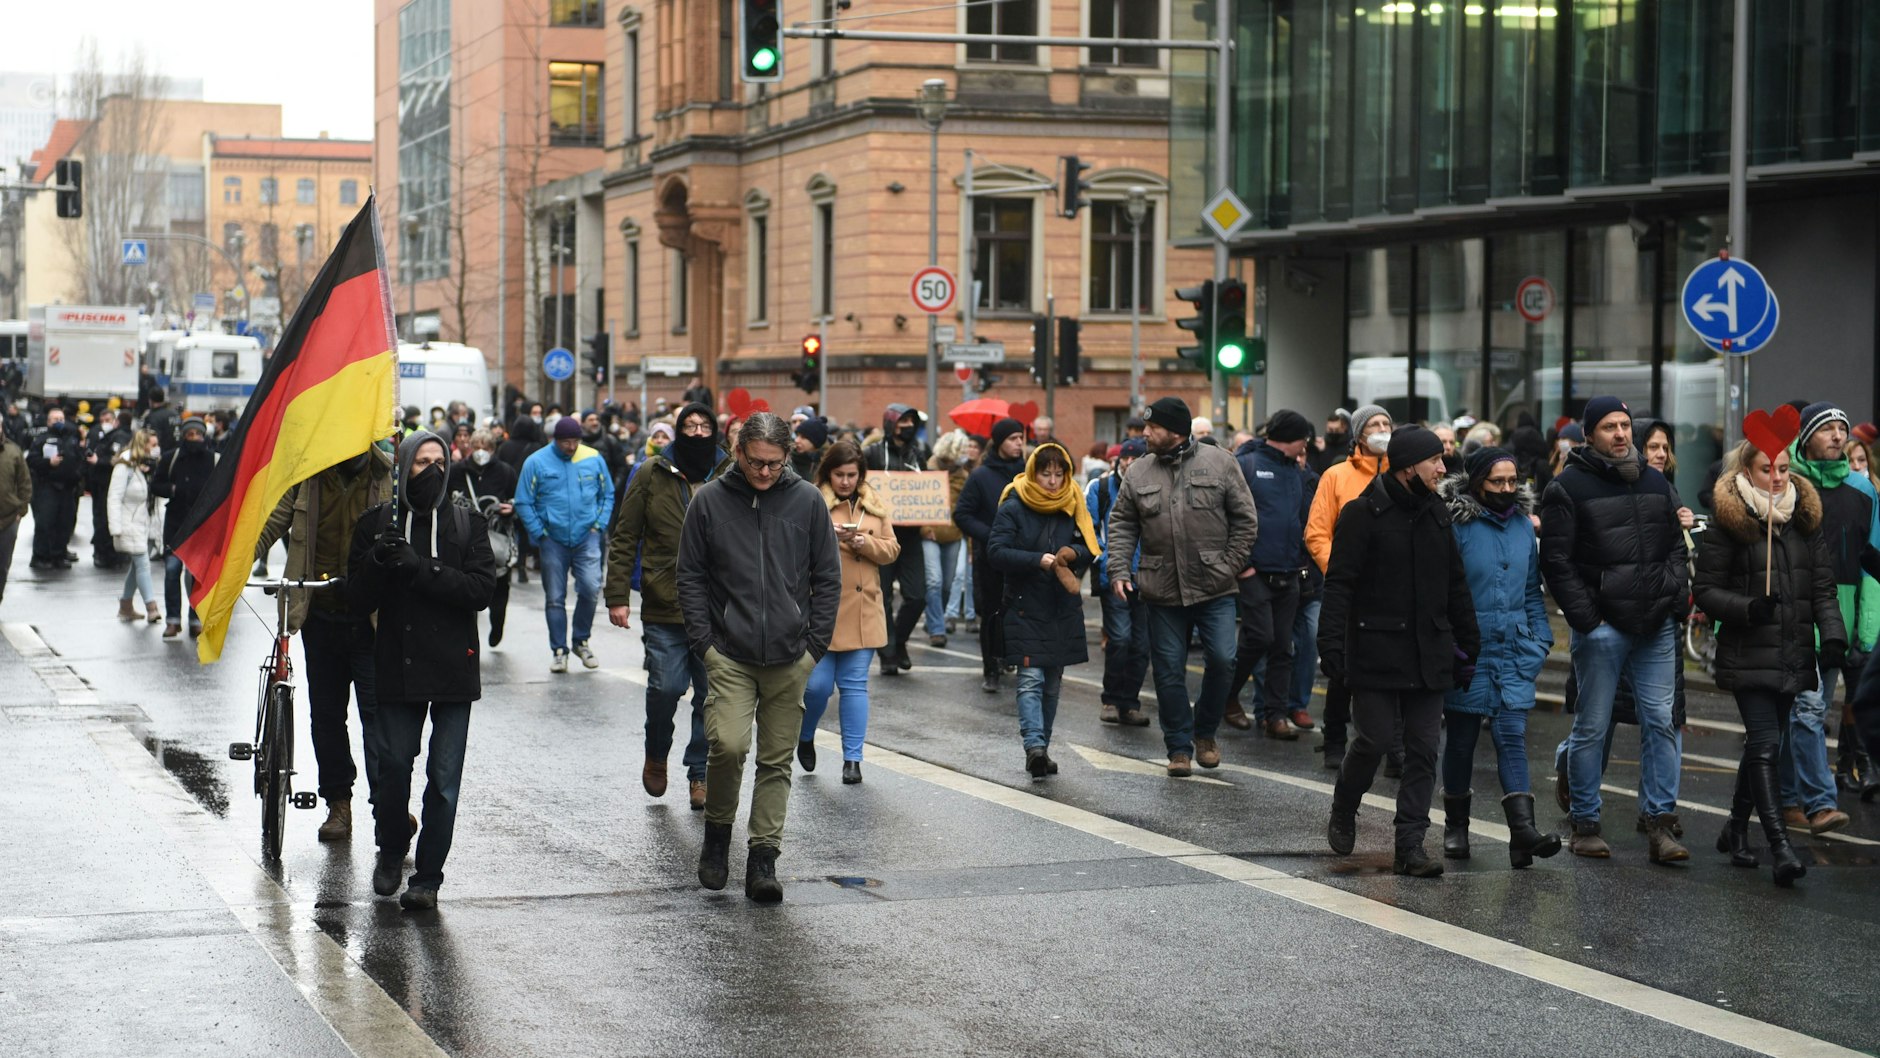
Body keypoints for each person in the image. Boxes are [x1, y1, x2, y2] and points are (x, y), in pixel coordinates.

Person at [678, 412, 841, 903]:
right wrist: (704, 644)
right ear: (737, 452)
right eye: (755, 463)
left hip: (792, 655)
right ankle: (718, 835)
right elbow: (689, 577)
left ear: (788, 457)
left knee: (776, 761)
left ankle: (763, 858)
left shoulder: (808, 501)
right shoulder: (708, 501)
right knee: (726, 746)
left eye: (774, 464)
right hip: (728, 651)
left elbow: (827, 578)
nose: (764, 472)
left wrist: (814, 648)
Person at [1319, 426, 1480, 878]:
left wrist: (1470, 643)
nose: (1442, 469)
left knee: (1423, 749)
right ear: (1409, 465)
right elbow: (1340, 585)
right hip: (1375, 650)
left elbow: (1455, 585)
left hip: (1429, 651)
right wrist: (1331, 646)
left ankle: (1410, 845)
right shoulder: (1362, 514)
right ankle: (1344, 805)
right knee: (1371, 741)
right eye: (1435, 461)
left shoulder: (1437, 514)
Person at [348, 431, 498, 910]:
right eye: (420, 462)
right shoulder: (376, 523)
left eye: (439, 461)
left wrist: (422, 568)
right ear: (403, 467)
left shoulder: (465, 524)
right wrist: (375, 562)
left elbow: (480, 590)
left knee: (444, 778)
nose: (431, 470)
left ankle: (428, 876)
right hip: (396, 661)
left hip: (454, 666)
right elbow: (356, 598)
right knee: (392, 767)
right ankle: (392, 849)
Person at [1541, 396, 1689, 861]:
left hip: (1656, 624)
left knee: (1661, 722)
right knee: (1593, 724)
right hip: (1603, 628)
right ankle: (1585, 823)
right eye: (1609, 427)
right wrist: (1590, 620)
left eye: (1625, 425)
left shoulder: (1654, 481)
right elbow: (1557, 563)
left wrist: (1675, 596)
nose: (1621, 434)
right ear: (1589, 435)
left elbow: (1674, 548)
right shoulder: (1568, 486)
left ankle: (1660, 824)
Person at [1695, 440, 1846, 887]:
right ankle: (1780, 845)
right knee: (1763, 743)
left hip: (1793, 651)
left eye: (1782, 468)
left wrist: (1833, 634)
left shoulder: (1804, 518)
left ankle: (1736, 827)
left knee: (1767, 745)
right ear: (1747, 469)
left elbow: (1822, 586)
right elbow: (1705, 589)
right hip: (1748, 651)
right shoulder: (1731, 520)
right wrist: (1746, 608)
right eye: (1767, 469)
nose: (1777, 477)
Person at [1104, 397, 1258, 777]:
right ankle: (1178, 747)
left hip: (1215, 587)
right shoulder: (1138, 472)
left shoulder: (1220, 462)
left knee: (1223, 660)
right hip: (1161, 589)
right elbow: (1122, 524)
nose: (1144, 433)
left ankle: (1205, 734)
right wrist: (1120, 569)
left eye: (1151, 428)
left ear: (1174, 431)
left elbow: (1245, 520)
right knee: (1169, 671)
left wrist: (1228, 565)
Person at [255, 442, 396, 843]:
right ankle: (339, 804)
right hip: (320, 616)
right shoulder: (308, 474)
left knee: (378, 718)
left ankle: (388, 805)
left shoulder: (386, 477)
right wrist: (234, 566)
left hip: (371, 621)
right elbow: (272, 524)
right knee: (327, 718)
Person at [1437, 447, 1561, 868]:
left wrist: (1539, 639)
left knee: (1511, 737)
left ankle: (1521, 834)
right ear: (1476, 483)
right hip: (1468, 652)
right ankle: (1456, 827)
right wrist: (1452, 644)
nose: (1507, 489)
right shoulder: (1456, 525)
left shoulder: (1525, 527)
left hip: (1514, 650)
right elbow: (1446, 591)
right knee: (1461, 741)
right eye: (1497, 482)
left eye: (1513, 481)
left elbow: (1531, 592)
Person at [606, 402, 726, 810]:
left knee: (711, 696)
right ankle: (656, 753)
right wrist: (617, 595)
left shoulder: (728, 473)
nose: (696, 432)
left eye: (703, 425)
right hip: (664, 601)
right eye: (688, 426)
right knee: (667, 687)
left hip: (717, 607)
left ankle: (699, 773)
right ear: (676, 431)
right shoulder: (650, 472)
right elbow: (626, 535)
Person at [1778, 402, 1872, 835]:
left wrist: (1867, 627)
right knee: (1809, 711)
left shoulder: (1862, 490)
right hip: (1794, 616)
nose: (1837, 435)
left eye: (1841, 428)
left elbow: (1872, 563)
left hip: (1840, 620)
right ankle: (1818, 803)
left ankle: (1785, 798)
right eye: (1826, 428)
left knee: (1798, 715)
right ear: (1805, 437)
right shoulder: (1786, 482)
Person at [989, 442, 1097, 778]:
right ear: (1033, 472)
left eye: (1058, 474)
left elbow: (1091, 546)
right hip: (1023, 603)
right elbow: (996, 551)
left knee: (1052, 682)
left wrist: (1072, 554)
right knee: (1030, 679)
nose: (1052, 481)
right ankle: (1034, 746)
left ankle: (1042, 749)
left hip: (1060, 605)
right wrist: (1037, 560)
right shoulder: (1013, 503)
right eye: (1045, 473)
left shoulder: (1073, 501)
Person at [799, 441, 900, 784]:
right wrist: (832, 537)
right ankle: (805, 734)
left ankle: (853, 760)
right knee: (817, 688)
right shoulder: (812, 501)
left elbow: (891, 549)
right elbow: (796, 549)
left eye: (852, 475)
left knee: (855, 686)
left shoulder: (874, 505)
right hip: (823, 611)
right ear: (828, 473)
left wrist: (865, 543)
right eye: (839, 475)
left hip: (865, 608)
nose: (845, 481)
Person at [1304, 403, 1393, 771]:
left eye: (1387, 423)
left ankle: (1395, 747)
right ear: (1358, 434)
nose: (1382, 430)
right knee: (1342, 666)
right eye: (1374, 424)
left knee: (1393, 667)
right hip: (1348, 588)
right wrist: (1342, 572)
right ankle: (1335, 739)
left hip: (1391, 589)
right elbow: (1317, 533)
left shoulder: (1403, 475)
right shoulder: (1336, 476)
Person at [1229, 410, 1317, 739]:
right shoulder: (1248, 464)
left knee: (1283, 647)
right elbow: (1230, 515)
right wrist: (1244, 565)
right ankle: (1227, 695)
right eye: (1303, 441)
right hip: (1254, 572)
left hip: (1289, 573)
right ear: (1291, 439)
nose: (1305, 447)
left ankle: (1274, 715)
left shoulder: (1296, 472)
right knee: (1260, 638)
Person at [515, 415, 615, 673]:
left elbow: (608, 494)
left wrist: (598, 525)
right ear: (555, 440)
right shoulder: (536, 462)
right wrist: (540, 533)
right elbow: (523, 501)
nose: (571, 447)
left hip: (587, 537)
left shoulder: (593, 458)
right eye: (565, 442)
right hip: (553, 540)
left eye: (575, 441)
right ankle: (559, 650)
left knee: (591, 588)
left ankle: (581, 641)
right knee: (555, 598)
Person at [954, 418, 1029, 692]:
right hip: (990, 558)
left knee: (1020, 611)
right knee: (992, 612)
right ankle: (991, 668)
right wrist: (991, 536)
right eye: (1012, 439)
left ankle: (1013, 658)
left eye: (1021, 438)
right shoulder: (981, 476)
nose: (1019, 443)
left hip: (1022, 556)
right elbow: (963, 514)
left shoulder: (1027, 473)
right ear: (998, 443)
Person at [1086, 437, 1150, 725]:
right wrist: (1103, 556)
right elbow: (1087, 526)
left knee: (1141, 644)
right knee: (1120, 639)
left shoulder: (1154, 484)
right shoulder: (1100, 488)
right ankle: (1111, 699)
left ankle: (1130, 702)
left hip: (1148, 577)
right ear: (1119, 460)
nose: (1130, 462)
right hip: (1114, 574)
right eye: (1127, 457)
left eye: (1137, 458)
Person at [864, 403, 929, 673]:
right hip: (881, 534)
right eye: (902, 421)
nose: (907, 426)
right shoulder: (873, 453)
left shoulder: (918, 454)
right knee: (884, 595)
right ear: (891, 423)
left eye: (911, 421)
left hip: (911, 535)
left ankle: (899, 640)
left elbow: (929, 487)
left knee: (918, 595)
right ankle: (888, 652)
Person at [447, 430, 519, 647]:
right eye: (476, 446)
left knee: (499, 586)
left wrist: (511, 509)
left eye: (486, 447)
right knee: (467, 588)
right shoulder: (457, 471)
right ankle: (470, 639)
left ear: (493, 450)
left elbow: (517, 499)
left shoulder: (505, 472)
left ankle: (497, 624)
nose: (481, 451)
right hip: (464, 538)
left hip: (496, 537)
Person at [151, 417, 217, 636]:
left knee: (196, 576)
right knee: (172, 572)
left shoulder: (214, 460)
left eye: (198, 435)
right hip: (176, 525)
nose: (194, 439)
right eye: (190, 435)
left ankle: (196, 619)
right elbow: (156, 485)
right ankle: (172, 620)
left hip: (202, 528)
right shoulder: (172, 458)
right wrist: (172, 489)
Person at [107, 430, 165, 625]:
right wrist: (115, 528)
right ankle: (152, 607)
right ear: (143, 445)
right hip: (128, 523)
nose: (156, 448)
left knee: (137, 566)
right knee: (142, 563)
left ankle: (125, 605)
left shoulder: (150, 467)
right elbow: (114, 497)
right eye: (152, 444)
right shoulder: (125, 467)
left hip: (146, 523)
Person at [922, 430, 972, 648]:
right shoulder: (927, 470)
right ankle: (936, 628)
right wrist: (924, 528)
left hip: (953, 535)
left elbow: (968, 509)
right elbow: (916, 503)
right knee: (934, 580)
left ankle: (934, 615)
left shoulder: (965, 476)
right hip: (930, 534)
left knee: (947, 584)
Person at [25, 408, 82, 569]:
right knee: (45, 523)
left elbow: (79, 458)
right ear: (48, 422)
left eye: (61, 419)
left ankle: (59, 554)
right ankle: (40, 556)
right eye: (55, 419)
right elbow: (32, 460)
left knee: (64, 523)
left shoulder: (71, 439)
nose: (59, 422)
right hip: (47, 487)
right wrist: (48, 463)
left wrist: (78, 475)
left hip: (67, 488)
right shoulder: (41, 440)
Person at [84, 408, 130, 568]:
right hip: (103, 484)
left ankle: (107, 554)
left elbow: (116, 459)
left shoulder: (119, 437)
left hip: (107, 484)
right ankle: (106, 552)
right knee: (103, 519)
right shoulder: (111, 435)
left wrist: (99, 461)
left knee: (104, 519)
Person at [0, 424, 29, 605]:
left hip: (9, 518)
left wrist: (21, 510)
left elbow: (24, 482)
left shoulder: (13, 451)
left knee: (2, 565)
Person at [1308, 409, 1352, 474]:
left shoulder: (1350, 446)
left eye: (1336, 430)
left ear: (1344, 428)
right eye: (1330, 430)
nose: (1333, 432)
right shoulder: (1320, 445)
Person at [791, 416, 828, 481]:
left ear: (815, 443)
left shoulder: (824, 467)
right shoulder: (787, 463)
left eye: (803, 437)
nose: (796, 440)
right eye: (797, 435)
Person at [143, 387, 179, 453]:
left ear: (151, 400)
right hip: (177, 453)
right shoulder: (175, 414)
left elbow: (149, 439)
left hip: (162, 454)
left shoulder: (152, 417)